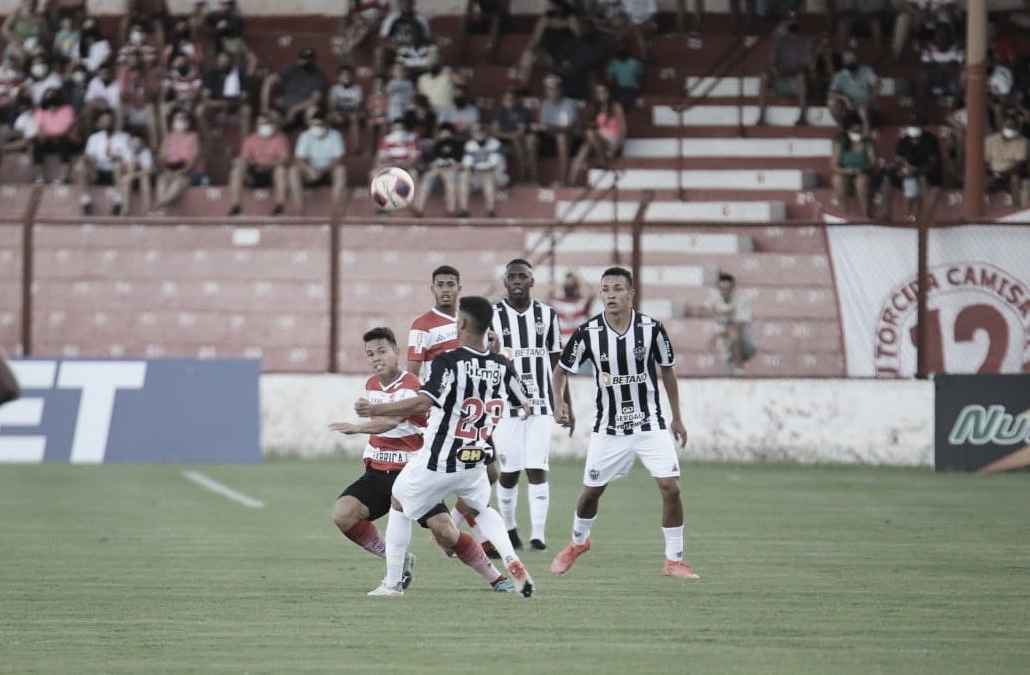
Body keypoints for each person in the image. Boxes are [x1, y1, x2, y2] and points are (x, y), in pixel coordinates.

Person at [358, 296, 536, 597]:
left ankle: (392, 584)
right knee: (482, 508)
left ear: (463, 324)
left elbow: (424, 401)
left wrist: (376, 410)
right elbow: (527, 404)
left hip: (441, 459)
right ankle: (512, 560)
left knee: (399, 502)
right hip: (476, 459)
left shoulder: (448, 362)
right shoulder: (502, 364)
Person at [328, 326, 516, 594]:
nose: (376, 358)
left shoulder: (412, 386)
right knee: (343, 514)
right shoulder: (372, 385)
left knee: (446, 534)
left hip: (414, 473)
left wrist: (358, 427)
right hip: (379, 472)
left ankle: (497, 578)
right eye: (370, 354)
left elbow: (391, 421)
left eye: (382, 351)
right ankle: (399, 560)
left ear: (397, 352)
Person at [549, 267, 699, 580]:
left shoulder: (651, 329)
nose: (611, 295)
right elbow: (561, 370)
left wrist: (677, 416)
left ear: (631, 293)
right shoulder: (589, 332)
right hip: (609, 429)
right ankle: (578, 543)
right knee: (591, 492)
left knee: (670, 488)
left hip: (650, 425)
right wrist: (559, 402)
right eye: (606, 289)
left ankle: (674, 560)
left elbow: (667, 370)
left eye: (618, 289)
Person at [491, 259, 571, 552]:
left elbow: (556, 363)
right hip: (505, 405)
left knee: (537, 467)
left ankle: (538, 535)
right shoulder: (494, 315)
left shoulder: (547, 315)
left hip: (540, 404)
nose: (517, 281)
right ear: (505, 282)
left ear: (532, 281)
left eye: (522, 276)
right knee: (509, 470)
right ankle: (510, 529)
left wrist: (563, 402)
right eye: (511, 276)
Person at [757, 12, 814, 127]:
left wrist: (792, 72)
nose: (792, 23)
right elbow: (772, 63)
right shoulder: (779, 41)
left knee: (801, 77)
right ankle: (761, 117)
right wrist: (777, 71)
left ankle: (803, 116)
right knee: (764, 76)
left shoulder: (806, 41)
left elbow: (808, 65)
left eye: (794, 20)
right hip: (780, 81)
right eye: (789, 21)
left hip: (796, 83)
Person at [407, 265, 461, 383]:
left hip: (466, 397)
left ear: (459, 288)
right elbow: (412, 374)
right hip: (438, 398)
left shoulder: (468, 321)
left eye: (451, 284)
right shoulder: (421, 325)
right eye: (440, 285)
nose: (445, 289)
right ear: (433, 289)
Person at [228, 113, 290, 216]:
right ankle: (236, 206)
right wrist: (252, 163)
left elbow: (284, 159)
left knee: (281, 170)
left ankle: (280, 206)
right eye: (261, 124)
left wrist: (269, 165)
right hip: (254, 173)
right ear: (257, 126)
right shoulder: (250, 139)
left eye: (267, 123)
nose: (264, 126)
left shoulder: (280, 139)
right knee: (237, 170)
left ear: (273, 125)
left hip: (272, 173)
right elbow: (245, 159)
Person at [290, 111, 347, 213]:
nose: (316, 127)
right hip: (310, 173)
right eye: (313, 124)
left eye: (319, 124)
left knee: (341, 170)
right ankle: (299, 208)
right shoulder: (305, 136)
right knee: (293, 171)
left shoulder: (335, 135)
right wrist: (309, 170)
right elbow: (298, 159)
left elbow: (340, 159)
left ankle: (336, 207)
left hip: (328, 172)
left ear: (326, 124)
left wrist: (324, 170)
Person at [569, 82, 625, 186]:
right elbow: (587, 124)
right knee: (585, 147)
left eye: (603, 91)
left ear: (608, 93)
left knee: (590, 135)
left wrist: (617, 147)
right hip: (599, 140)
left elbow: (623, 129)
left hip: (612, 140)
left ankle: (602, 162)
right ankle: (571, 181)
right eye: (598, 92)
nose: (601, 94)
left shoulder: (616, 106)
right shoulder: (595, 108)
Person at [885, 118, 941, 220]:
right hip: (907, 171)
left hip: (927, 171)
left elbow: (933, 161)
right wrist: (902, 168)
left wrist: (916, 169)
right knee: (889, 177)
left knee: (922, 179)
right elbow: (899, 160)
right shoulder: (903, 140)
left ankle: (923, 216)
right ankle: (890, 214)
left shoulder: (930, 139)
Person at [261, 47, 327, 132]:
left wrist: (294, 109)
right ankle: (276, 140)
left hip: (302, 110)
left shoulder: (319, 75)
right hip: (284, 107)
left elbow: (315, 99)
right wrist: (264, 108)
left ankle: (311, 139)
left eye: (308, 59)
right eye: (303, 58)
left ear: (314, 61)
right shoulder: (290, 69)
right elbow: (269, 81)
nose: (305, 61)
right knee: (272, 117)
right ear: (299, 58)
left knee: (313, 110)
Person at [702, 272, 756, 374]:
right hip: (722, 338)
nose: (724, 292)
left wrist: (718, 335)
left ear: (733, 288)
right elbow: (701, 311)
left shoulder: (742, 300)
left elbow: (739, 326)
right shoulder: (714, 297)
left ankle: (738, 369)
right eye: (722, 288)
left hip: (743, 340)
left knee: (734, 335)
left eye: (728, 288)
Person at [531, 73, 578, 186]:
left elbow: (569, 127)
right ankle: (533, 180)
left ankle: (563, 181)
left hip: (569, 139)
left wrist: (550, 127)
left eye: (553, 88)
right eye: (548, 89)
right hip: (549, 137)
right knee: (531, 140)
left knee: (561, 137)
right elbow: (544, 126)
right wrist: (539, 128)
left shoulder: (569, 103)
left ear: (560, 89)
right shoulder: (545, 104)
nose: (550, 91)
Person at [154, 107, 203, 211]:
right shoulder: (168, 137)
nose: (180, 121)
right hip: (169, 169)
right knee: (162, 180)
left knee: (179, 182)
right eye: (177, 119)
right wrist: (166, 169)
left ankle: (159, 205)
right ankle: (162, 209)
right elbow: (161, 157)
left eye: (183, 119)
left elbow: (193, 160)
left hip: (188, 172)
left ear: (188, 122)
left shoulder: (194, 137)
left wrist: (181, 171)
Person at [414, 122, 464, 216]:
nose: (444, 133)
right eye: (443, 132)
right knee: (426, 181)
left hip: (450, 169)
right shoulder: (436, 144)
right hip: (436, 168)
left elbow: (459, 160)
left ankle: (451, 210)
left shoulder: (457, 144)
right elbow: (431, 159)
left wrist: (450, 162)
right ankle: (419, 208)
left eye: (447, 131)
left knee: (450, 184)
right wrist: (436, 162)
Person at [830, 118, 876, 217]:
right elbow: (834, 165)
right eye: (854, 131)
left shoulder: (867, 142)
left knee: (861, 182)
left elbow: (873, 162)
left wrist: (862, 169)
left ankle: (866, 213)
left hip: (863, 172)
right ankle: (844, 213)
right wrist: (846, 171)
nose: (857, 133)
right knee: (837, 180)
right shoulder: (841, 142)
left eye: (859, 130)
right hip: (845, 173)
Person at [828, 50, 879, 135]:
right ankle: (842, 127)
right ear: (844, 62)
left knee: (863, 111)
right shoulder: (839, 75)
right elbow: (831, 93)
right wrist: (845, 99)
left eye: (851, 59)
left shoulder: (866, 70)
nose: (849, 61)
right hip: (848, 104)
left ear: (855, 59)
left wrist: (872, 97)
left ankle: (866, 132)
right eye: (847, 60)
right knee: (831, 102)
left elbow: (877, 84)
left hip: (865, 103)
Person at [32, 86, 76, 183]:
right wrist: (45, 136)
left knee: (63, 142)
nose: (51, 100)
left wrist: (53, 135)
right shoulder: (40, 110)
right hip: (47, 140)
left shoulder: (67, 109)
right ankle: (39, 177)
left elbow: (65, 129)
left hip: (61, 139)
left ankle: (64, 177)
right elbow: (40, 129)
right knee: (37, 143)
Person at [458, 122, 503, 217]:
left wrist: (476, 167)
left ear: (486, 133)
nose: (479, 134)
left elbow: (493, 163)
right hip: (475, 172)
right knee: (463, 177)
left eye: (481, 132)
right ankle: (464, 209)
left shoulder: (495, 143)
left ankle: (490, 209)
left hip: (493, 173)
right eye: (476, 132)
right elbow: (467, 161)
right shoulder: (470, 144)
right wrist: (470, 168)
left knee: (488, 178)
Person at [984, 117, 1028, 208]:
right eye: (1008, 126)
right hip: (992, 171)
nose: (1010, 128)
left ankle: (1015, 206)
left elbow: (1020, 163)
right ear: (1002, 127)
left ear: (1017, 128)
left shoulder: (1023, 142)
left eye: (1013, 127)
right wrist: (993, 173)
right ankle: (985, 203)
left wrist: (1002, 174)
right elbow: (984, 161)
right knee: (980, 178)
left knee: (1015, 178)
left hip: (1011, 172)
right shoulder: (990, 140)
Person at [492, 89, 533, 183]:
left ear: (516, 100)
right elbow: (494, 131)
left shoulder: (523, 110)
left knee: (518, 142)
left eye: (511, 99)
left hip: (520, 141)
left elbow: (520, 132)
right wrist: (509, 135)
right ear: (502, 100)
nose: (508, 101)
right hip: (505, 140)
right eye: (506, 99)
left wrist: (510, 136)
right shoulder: (500, 110)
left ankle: (523, 178)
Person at [328, 65, 364, 155]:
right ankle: (332, 148)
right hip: (339, 112)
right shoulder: (334, 89)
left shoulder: (357, 89)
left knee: (354, 118)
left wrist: (347, 110)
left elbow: (357, 105)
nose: (346, 78)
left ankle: (355, 147)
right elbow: (332, 105)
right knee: (330, 118)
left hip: (353, 112)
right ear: (339, 77)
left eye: (348, 75)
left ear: (352, 77)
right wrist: (336, 113)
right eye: (343, 75)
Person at [550, 271, 593, 340]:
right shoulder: (557, 303)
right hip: (563, 344)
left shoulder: (582, 303)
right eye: (567, 283)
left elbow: (591, 294)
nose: (570, 285)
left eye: (572, 283)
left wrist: (579, 278)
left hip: (577, 344)